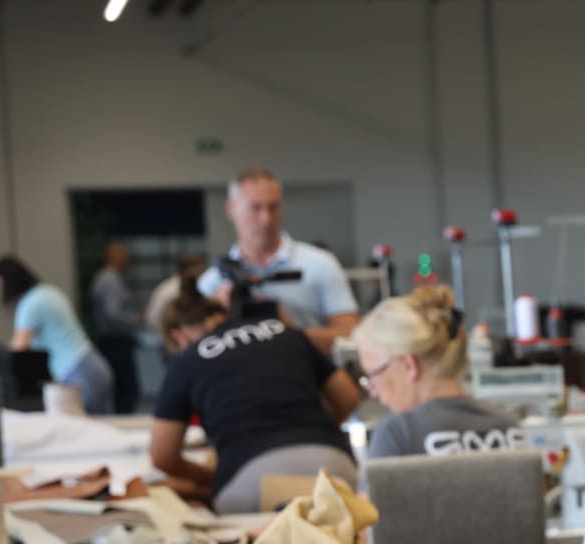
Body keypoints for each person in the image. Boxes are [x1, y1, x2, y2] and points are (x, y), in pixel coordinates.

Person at [150, 287, 363, 513]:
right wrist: (318, 430)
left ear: (178, 337)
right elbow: (348, 397)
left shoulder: (189, 359)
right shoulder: (284, 332)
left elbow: (162, 456)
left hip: (252, 479)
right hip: (333, 466)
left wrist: (210, 476)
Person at [195, 169, 359, 353]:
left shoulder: (319, 264)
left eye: (273, 207)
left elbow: (350, 336)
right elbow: (194, 350)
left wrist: (289, 333)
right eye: (255, 208)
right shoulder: (212, 283)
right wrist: (217, 318)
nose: (266, 219)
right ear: (231, 209)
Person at [354, 284, 523, 460]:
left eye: (373, 374)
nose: (373, 391)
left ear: (408, 366)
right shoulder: (508, 427)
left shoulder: (397, 434)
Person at [0, 255, 116, 416]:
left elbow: (19, 346)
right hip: (95, 366)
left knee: (83, 427)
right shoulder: (50, 292)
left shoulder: (30, 304)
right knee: (101, 425)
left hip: (77, 373)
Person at [89, 241, 143, 413]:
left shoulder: (106, 278)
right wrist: (136, 319)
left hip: (112, 341)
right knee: (126, 390)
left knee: (123, 390)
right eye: (125, 257)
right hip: (115, 341)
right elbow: (113, 314)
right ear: (115, 257)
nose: (127, 261)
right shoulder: (110, 280)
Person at [144, 253, 207, 354]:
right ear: (189, 270)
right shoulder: (176, 289)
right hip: (175, 343)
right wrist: (167, 336)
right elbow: (152, 317)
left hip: (175, 340)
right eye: (200, 269)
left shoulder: (167, 286)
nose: (202, 273)